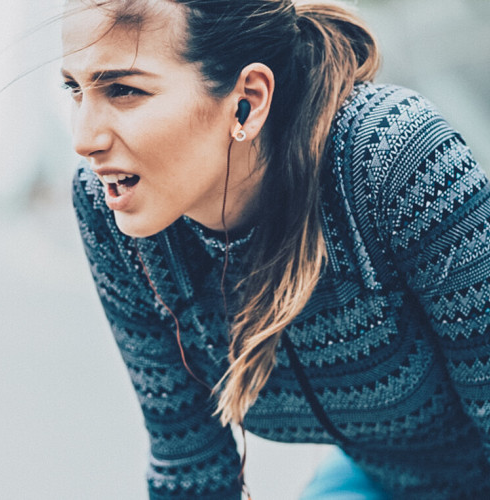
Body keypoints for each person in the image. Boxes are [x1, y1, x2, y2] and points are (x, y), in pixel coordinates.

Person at [62, 0, 490, 499]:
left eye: (125, 90)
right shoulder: (111, 210)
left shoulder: (393, 160)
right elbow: (189, 466)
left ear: (247, 100)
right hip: (376, 478)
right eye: (75, 89)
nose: (84, 139)